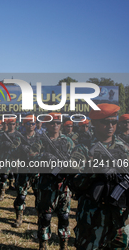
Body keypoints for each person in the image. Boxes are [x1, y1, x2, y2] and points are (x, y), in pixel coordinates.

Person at [70, 104, 129, 249]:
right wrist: (94, 171)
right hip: (92, 217)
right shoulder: (83, 149)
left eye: (113, 122)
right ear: (94, 123)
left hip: (119, 219)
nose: (110, 126)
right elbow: (74, 183)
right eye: (105, 122)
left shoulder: (124, 148)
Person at [29, 113, 75, 250]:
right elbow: (31, 159)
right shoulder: (40, 141)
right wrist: (44, 157)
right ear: (46, 124)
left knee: (64, 216)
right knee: (46, 217)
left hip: (64, 185)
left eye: (58, 123)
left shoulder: (67, 141)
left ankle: (64, 245)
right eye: (52, 123)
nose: (55, 125)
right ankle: (43, 245)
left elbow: (77, 160)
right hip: (47, 185)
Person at [13, 116, 40, 228]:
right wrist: (19, 149)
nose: (31, 125)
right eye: (28, 123)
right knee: (21, 196)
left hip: (37, 170)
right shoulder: (19, 137)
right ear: (24, 125)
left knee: (39, 195)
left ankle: (40, 216)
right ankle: (19, 217)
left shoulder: (40, 138)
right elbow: (13, 152)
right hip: (24, 170)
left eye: (33, 123)